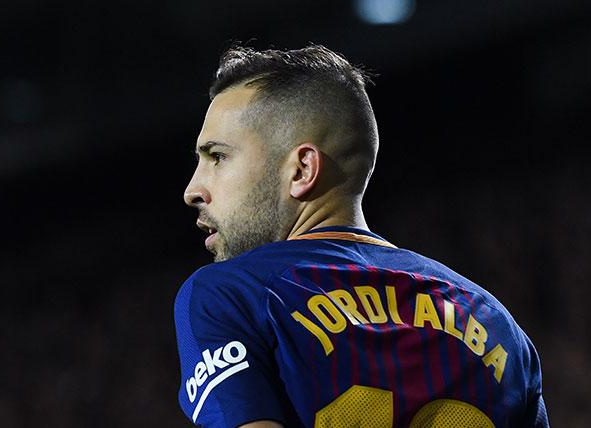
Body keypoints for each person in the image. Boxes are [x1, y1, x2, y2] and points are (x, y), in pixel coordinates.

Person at [174, 43, 549, 428]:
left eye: (217, 157)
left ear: (302, 170)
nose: (192, 190)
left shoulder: (228, 295)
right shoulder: (498, 325)